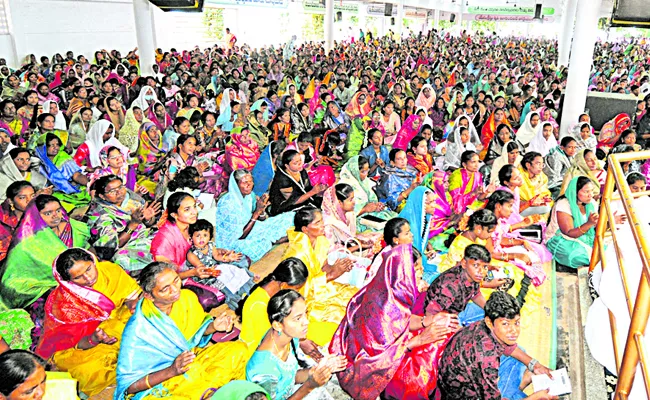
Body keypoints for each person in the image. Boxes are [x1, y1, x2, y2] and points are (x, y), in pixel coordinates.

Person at [330, 242, 456, 400]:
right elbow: (376, 359)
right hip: (372, 371)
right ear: (404, 274)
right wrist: (419, 340)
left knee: (443, 328)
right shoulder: (383, 308)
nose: (421, 272)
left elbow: (403, 320)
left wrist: (428, 321)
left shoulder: (392, 290)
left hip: (395, 350)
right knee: (428, 359)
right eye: (417, 270)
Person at [115, 262, 247, 399]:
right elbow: (129, 386)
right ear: (149, 296)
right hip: (163, 381)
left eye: (176, 280)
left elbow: (196, 333)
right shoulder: (138, 328)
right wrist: (171, 371)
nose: (175, 290)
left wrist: (214, 326)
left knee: (239, 349)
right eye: (165, 289)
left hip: (190, 362)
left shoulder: (186, 297)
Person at [35, 248, 141, 396]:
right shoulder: (64, 304)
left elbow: (130, 295)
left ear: (93, 260)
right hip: (84, 343)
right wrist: (94, 339)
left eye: (89, 269)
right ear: (68, 282)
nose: (88, 278)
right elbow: (71, 342)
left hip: (118, 318)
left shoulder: (110, 270)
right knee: (89, 371)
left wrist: (132, 303)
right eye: (78, 277)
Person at [437, 291, 557, 400]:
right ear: (490, 322)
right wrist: (536, 397)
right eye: (505, 324)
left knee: (519, 352)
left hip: (461, 373)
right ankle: (519, 385)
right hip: (460, 394)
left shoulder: (484, 324)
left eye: (517, 322)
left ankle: (516, 386)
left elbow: (509, 348)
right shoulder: (487, 360)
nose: (514, 331)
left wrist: (535, 365)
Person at [246, 290, 347, 400]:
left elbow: (291, 376)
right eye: (298, 318)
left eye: (305, 314)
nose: (306, 322)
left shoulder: (287, 335)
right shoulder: (263, 371)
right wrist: (310, 385)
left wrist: (317, 370)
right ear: (277, 325)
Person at [281, 208, 358, 346]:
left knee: (354, 295)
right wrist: (331, 275)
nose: (323, 225)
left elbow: (323, 267)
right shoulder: (297, 254)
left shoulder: (320, 240)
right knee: (339, 315)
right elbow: (299, 289)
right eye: (317, 223)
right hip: (304, 298)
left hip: (320, 286)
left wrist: (338, 268)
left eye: (321, 220)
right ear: (305, 229)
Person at [0, 195, 90, 310]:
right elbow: (11, 283)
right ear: (35, 217)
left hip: (83, 277)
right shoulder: (25, 245)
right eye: (48, 213)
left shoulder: (73, 228)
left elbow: (87, 249)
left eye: (58, 210)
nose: (55, 216)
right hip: (48, 292)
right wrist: (49, 289)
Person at [214, 170, 294, 262]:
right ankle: (276, 241)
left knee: (290, 217)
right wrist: (257, 212)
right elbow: (240, 236)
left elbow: (262, 220)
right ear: (236, 185)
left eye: (251, 181)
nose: (249, 185)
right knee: (263, 243)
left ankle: (279, 239)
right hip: (233, 241)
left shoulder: (249, 196)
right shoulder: (227, 204)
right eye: (244, 182)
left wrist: (262, 209)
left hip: (252, 227)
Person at [84, 175, 159, 273]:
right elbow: (108, 250)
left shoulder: (130, 197)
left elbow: (148, 223)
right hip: (124, 249)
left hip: (145, 236)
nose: (119, 192)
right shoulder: (99, 215)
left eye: (120, 187)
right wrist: (133, 224)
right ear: (102, 196)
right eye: (112, 191)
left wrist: (148, 219)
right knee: (123, 260)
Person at [239, 258, 309, 357]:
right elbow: (270, 339)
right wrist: (299, 342)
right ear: (284, 285)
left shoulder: (277, 294)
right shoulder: (259, 305)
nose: (297, 293)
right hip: (259, 351)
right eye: (296, 289)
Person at [186, 219, 254, 310]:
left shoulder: (210, 245)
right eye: (198, 236)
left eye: (205, 235)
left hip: (216, 267)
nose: (202, 239)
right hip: (205, 274)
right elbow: (200, 268)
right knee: (223, 285)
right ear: (191, 238)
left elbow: (217, 256)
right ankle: (237, 302)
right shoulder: (192, 254)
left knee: (235, 271)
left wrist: (227, 258)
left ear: (210, 236)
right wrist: (211, 271)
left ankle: (247, 290)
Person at [545, 176, 606, 269]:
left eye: (591, 191)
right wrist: (589, 223)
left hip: (584, 237)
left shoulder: (591, 203)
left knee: (606, 250)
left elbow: (595, 227)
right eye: (586, 191)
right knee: (575, 256)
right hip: (560, 238)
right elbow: (569, 232)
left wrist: (607, 221)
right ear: (575, 192)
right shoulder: (564, 204)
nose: (590, 195)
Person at [338, 155, 396, 232]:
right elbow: (342, 215)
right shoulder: (344, 187)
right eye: (363, 172)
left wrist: (376, 205)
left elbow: (370, 200)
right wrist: (364, 209)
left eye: (367, 170)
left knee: (395, 220)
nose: (366, 174)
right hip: (355, 221)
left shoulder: (364, 182)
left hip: (369, 215)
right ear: (354, 171)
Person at [35, 133, 91, 212]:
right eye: (51, 145)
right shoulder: (38, 161)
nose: (56, 148)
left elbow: (76, 176)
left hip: (71, 191)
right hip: (53, 194)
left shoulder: (63, 157)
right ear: (43, 147)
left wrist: (90, 184)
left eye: (57, 144)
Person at [268, 150, 326, 216]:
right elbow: (291, 202)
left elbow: (307, 189)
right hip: (285, 208)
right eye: (295, 163)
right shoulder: (282, 180)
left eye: (300, 160)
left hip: (303, 200)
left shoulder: (301, 171)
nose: (300, 164)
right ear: (287, 166)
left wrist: (320, 190)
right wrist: (313, 192)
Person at [518, 152, 553, 218]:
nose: (541, 167)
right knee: (546, 209)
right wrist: (539, 200)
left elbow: (545, 193)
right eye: (538, 164)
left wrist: (545, 199)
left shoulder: (542, 176)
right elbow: (528, 198)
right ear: (528, 165)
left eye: (542, 164)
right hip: (520, 207)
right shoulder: (519, 176)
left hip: (536, 205)